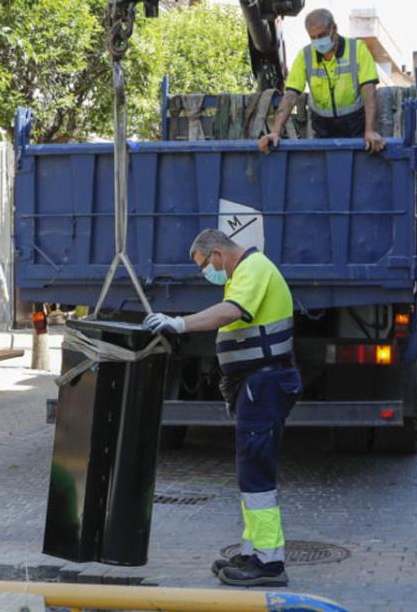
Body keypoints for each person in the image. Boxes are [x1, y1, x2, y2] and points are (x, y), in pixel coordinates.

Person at [142, 230, 299, 587]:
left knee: (256, 472)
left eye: (204, 265)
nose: (206, 274)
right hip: (258, 382)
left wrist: (179, 323)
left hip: (265, 381)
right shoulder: (244, 272)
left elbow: (231, 312)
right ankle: (254, 551)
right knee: (249, 470)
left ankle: (270, 563)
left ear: (217, 253)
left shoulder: (253, 268)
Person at [257, 9, 383, 154]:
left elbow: (369, 90)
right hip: (322, 128)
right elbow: (290, 95)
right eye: (313, 37)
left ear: (334, 29)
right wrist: (276, 132)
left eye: (321, 35)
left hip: (355, 125)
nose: (318, 41)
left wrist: (370, 131)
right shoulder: (305, 56)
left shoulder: (357, 50)